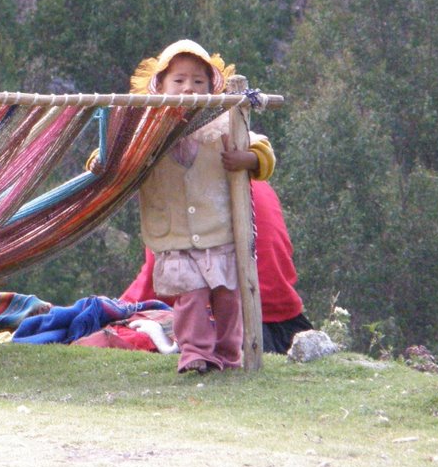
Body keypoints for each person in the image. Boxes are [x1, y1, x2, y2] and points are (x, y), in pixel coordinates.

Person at [116, 40, 275, 374]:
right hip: (175, 236)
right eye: (179, 80)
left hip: (220, 233)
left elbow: (262, 149)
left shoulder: (223, 123)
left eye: (198, 81)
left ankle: (229, 353)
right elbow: (111, 159)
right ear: (159, 85)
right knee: (191, 298)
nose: (189, 87)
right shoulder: (147, 131)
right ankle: (195, 353)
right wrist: (108, 165)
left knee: (228, 297)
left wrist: (248, 157)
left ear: (213, 86)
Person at [120, 179, 313, 354]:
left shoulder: (178, 193)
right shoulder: (255, 178)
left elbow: (156, 284)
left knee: (113, 329)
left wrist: (112, 311)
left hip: (238, 327)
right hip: (286, 326)